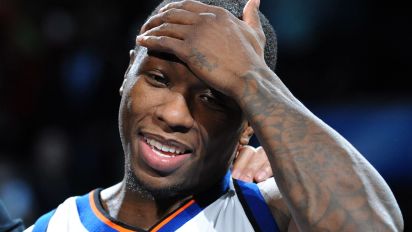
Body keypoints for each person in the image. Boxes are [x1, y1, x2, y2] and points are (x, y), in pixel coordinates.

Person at [26, 0, 403, 231]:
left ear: (248, 126)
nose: (175, 115)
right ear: (128, 75)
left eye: (215, 98)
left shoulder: (271, 213)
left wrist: (252, 79)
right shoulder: (54, 226)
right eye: (158, 79)